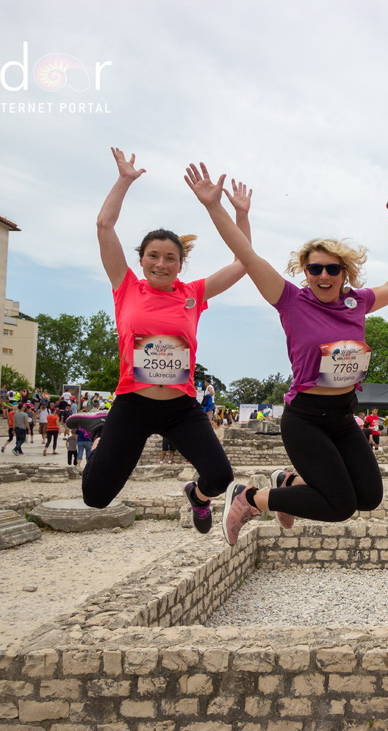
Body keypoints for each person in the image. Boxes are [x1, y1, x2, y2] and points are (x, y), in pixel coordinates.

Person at [184, 161, 388, 546]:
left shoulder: (357, 302)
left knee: (370, 497)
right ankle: (249, 497)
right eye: (315, 269)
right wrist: (216, 207)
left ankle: (288, 482)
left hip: (343, 416)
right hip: (306, 419)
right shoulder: (290, 300)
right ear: (305, 271)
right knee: (340, 505)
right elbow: (246, 254)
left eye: (332, 269)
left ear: (344, 273)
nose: (323, 276)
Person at [83, 147, 245, 536]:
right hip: (133, 404)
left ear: (180, 263)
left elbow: (243, 262)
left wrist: (237, 213)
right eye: (153, 256)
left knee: (220, 477)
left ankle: (198, 497)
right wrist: (124, 180)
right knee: (95, 497)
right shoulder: (126, 287)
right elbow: (104, 226)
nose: (161, 263)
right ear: (141, 259)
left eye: (170, 258)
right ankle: (101, 429)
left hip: (180, 408)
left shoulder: (193, 294)